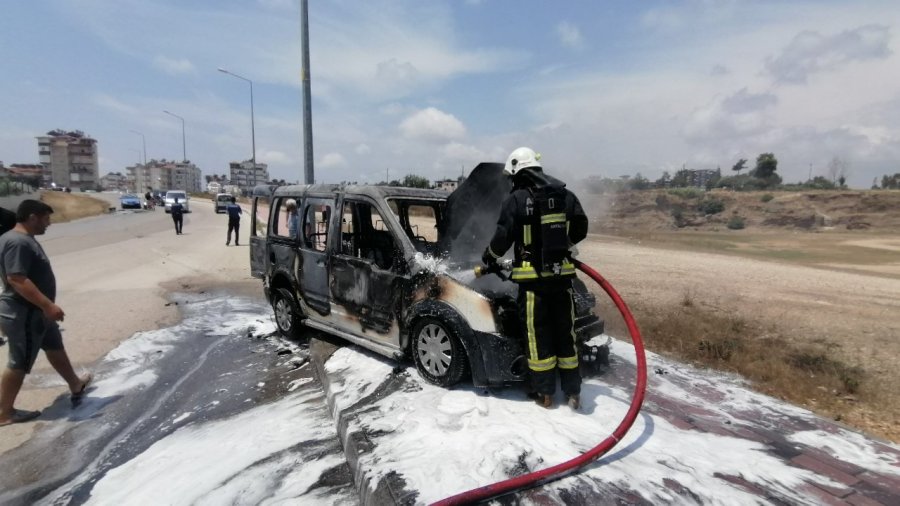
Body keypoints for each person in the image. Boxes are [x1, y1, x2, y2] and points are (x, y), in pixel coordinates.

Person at [482, 147, 588, 410]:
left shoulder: (517, 199)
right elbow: (581, 226)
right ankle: (573, 391)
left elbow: (503, 236)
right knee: (566, 334)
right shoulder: (565, 194)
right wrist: (564, 244)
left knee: (538, 336)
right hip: (562, 281)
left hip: (533, 286)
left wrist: (490, 256)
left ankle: (545, 394)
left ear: (518, 170)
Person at [0, 200, 92, 426]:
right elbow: (17, 279)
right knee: (19, 361)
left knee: (54, 345)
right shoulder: (17, 242)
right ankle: (4, 412)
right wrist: (47, 305)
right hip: (25, 312)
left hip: (37, 312)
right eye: (46, 219)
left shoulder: (22, 239)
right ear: (32, 217)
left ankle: (75, 383)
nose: (49, 224)